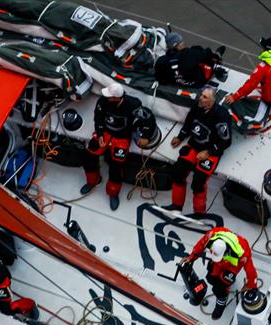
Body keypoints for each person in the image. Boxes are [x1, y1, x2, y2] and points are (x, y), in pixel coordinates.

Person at [81, 83, 155, 211]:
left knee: (116, 167)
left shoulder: (133, 105)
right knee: (88, 155)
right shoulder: (103, 100)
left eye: (109, 96)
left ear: (116, 98)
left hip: (121, 138)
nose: (106, 97)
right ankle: (93, 181)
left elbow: (149, 118)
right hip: (105, 133)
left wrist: (146, 136)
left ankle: (113, 193)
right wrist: (99, 135)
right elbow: (98, 117)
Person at [165, 87, 233, 213]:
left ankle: (199, 213)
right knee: (177, 173)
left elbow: (226, 141)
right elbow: (188, 122)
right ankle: (177, 206)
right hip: (194, 146)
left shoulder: (221, 116)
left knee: (198, 183)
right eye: (201, 95)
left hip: (210, 152)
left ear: (212, 101)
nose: (200, 98)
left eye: (204, 97)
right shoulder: (197, 107)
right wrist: (180, 137)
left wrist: (209, 152)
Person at [180, 227, 258, 320]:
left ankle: (222, 300)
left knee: (220, 287)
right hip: (218, 262)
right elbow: (201, 244)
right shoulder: (213, 234)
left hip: (232, 266)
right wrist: (191, 257)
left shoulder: (243, 252)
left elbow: (251, 270)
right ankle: (220, 282)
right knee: (210, 277)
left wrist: (250, 285)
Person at [224, 37, 271, 109]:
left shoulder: (262, 67)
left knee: (258, 79)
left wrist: (235, 96)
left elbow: (251, 85)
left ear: (267, 50)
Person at [154, 32, 225, 87]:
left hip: (176, 83)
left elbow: (159, 77)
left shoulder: (162, 61)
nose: (183, 43)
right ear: (177, 45)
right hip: (197, 84)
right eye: (181, 41)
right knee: (199, 49)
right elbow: (208, 55)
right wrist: (215, 55)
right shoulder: (191, 53)